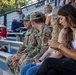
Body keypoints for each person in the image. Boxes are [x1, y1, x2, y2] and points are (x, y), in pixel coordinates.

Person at [35, 4, 76, 75]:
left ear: (69, 17)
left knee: (48, 62)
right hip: (72, 63)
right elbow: (71, 55)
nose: (60, 22)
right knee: (51, 72)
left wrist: (60, 46)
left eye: (61, 18)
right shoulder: (71, 32)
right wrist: (58, 48)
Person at [20, 6, 62, 75]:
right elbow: (48, 49)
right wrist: (39, 60)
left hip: (52, 59)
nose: (52, 20)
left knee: (27, 64)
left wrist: (38, 60)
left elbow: (44, 48)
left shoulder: (48, 31)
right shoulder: (54, 31)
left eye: (53, 18)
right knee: (24, 67)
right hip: (46, 56)